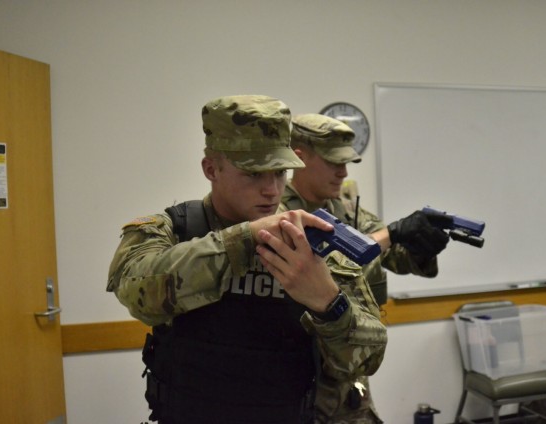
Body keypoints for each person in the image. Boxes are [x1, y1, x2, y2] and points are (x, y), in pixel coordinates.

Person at [107, 95, 387, 424]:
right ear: (211, 169)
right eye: (253, 174)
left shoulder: (311, 243)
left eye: (280, 172)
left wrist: (328, 302)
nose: (272, 190)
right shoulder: (172, 230)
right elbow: (136, 290)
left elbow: (367, 359)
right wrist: (246, 239)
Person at [279, 113, 451, 423]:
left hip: (350, 377)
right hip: (304, 382)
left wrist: (422, 246)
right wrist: (391, 234)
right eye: (333, 162)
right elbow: (335, 262)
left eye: (346, 163)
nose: (343, 172)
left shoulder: (344, 210)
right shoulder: (279, 215)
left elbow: (393, 254)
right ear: (299, 158)